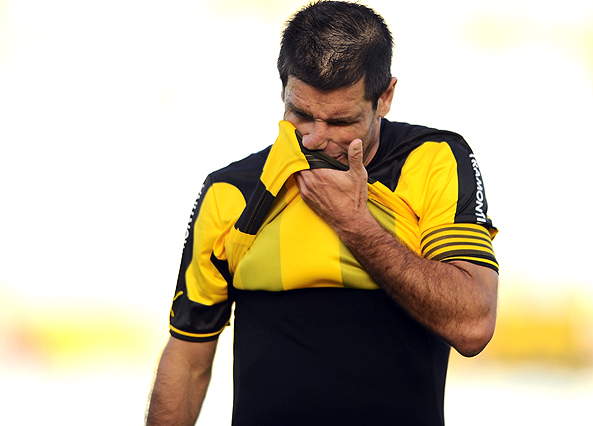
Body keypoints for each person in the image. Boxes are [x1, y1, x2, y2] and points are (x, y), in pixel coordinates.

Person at [146, 1, 499, 425]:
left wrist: (354, 225)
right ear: (283, 89)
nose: (315, 139)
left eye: (341, 122)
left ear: (385, 97)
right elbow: (188, 359)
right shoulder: (232, 191)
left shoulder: (435, 161)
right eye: (301, 114)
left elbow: (473, 325)